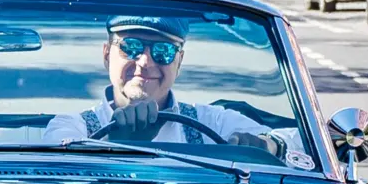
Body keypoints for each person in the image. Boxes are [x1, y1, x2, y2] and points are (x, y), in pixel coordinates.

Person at [43, 16, 311, 167]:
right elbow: (56, 173)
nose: (145, 62)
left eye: (163, 51)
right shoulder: (73, 127)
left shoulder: (211, 122)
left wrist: (270, 145)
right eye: (131, 47)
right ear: (106, 55)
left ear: (179, 62)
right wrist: (115, 147)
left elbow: (306, 146)